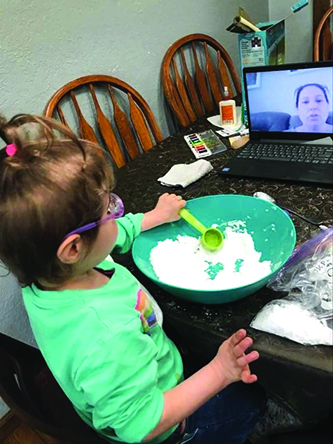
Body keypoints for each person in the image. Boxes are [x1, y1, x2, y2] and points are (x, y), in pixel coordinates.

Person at [0, 114, 266, 444]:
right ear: (72, 248)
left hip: (141, 372)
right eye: (109, 208)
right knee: (254, 400)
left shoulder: (49, 272)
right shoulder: (105, 336)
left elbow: (113, 236)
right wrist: (220, 371)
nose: (116, 211)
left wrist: (153, 217)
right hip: (168, 427)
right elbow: (142, 424)